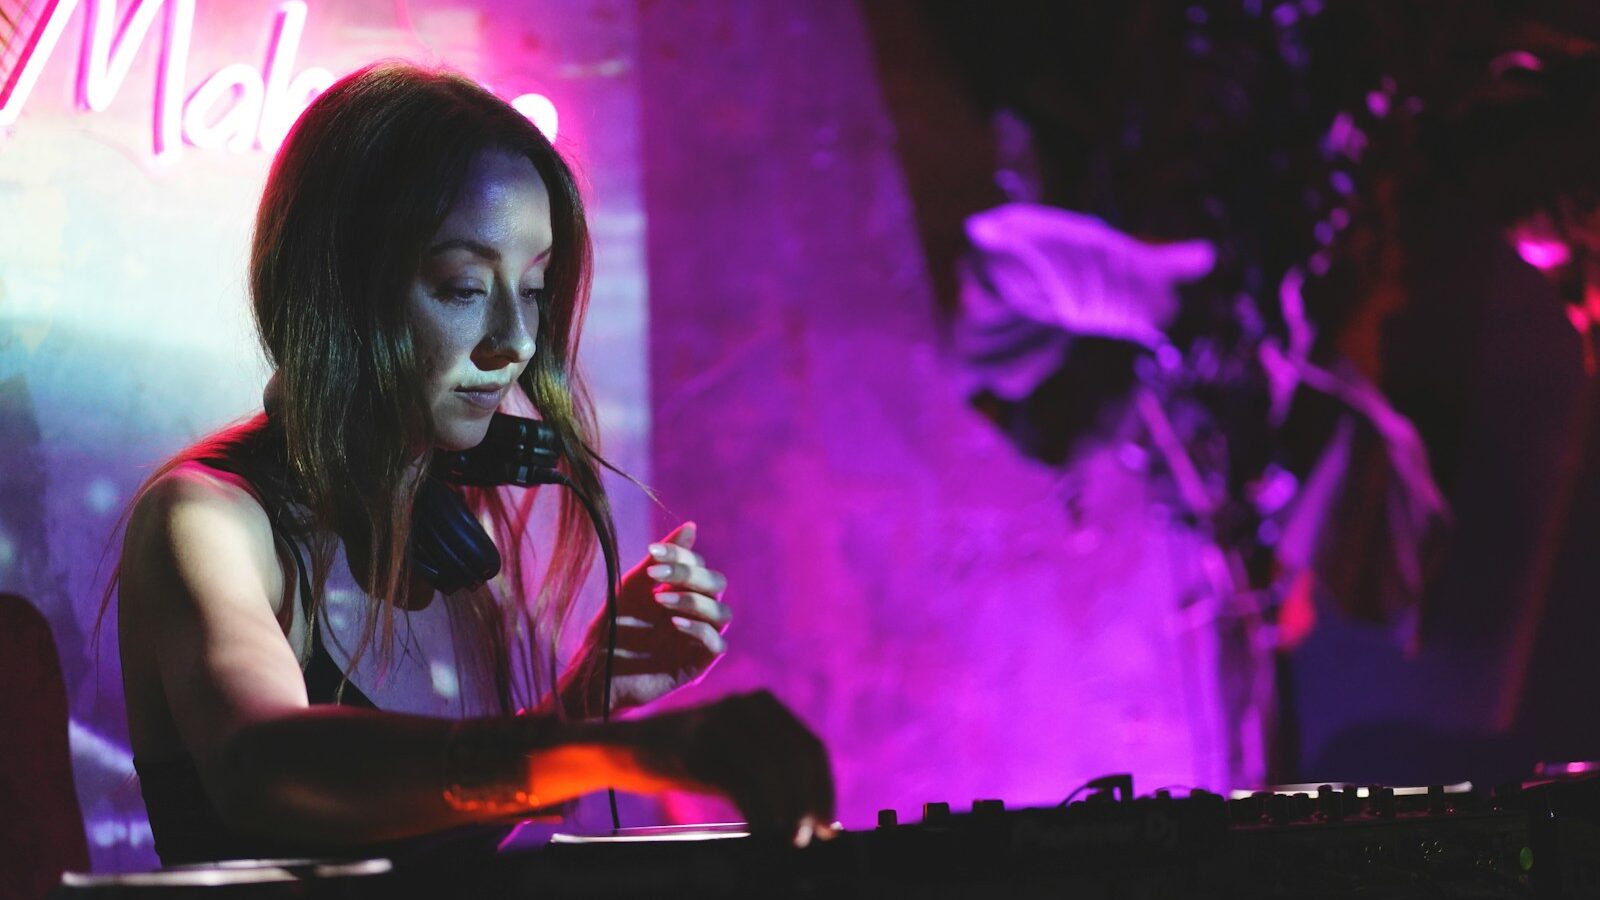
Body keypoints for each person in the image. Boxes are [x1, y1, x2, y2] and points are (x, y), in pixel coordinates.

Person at [109, 62, 834, 866]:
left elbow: (430, 842)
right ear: (339, 287)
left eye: (532, 289)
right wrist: (624, 753)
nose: (517, 342)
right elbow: (267, 767)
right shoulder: (204, 519)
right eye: (462, 286)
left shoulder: (453, 537)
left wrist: (580, 709)